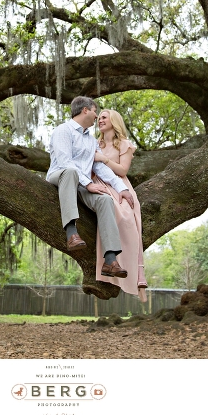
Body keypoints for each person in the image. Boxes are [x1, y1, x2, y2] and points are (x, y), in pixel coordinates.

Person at [46, 96, 135, 279]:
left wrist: (121, 188)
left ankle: (110, 260)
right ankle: (72, 234)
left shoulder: (91, 141)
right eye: (95, 111)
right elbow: (65, 162)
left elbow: (100, 167)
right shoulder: (63, 130)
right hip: (60, 176)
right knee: (71, 171)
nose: (96, 116)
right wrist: (89, 184)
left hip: (81, 185)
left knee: (104, 199)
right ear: (85, 110)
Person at [92, 109, 148, 302]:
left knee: (124, 218)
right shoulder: (94, 143)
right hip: (96, 184)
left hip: (118, 186)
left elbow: (123, 170)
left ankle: (130, 271)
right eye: (98, 117)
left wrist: (104, 159)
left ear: (114, 121)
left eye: (104, 117)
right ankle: (109, 262)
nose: (100, 120)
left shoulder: (124, 145)